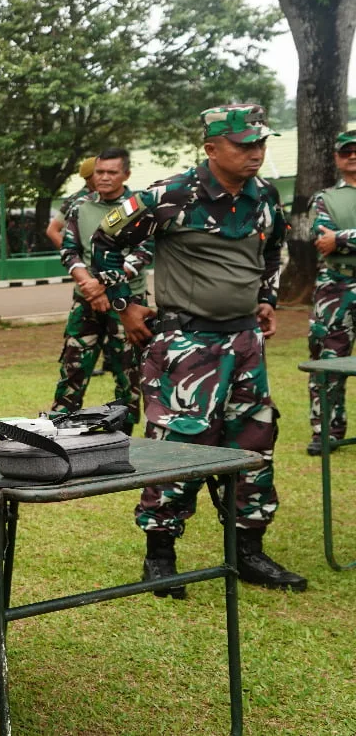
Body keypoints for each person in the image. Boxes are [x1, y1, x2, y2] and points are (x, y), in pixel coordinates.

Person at [94, 103, 306, 595]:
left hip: (246, 342)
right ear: (211, 148)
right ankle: (160, 559)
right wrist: (124, 307)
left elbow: (273, 248)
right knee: (180, 445)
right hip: (187, 343)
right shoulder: (169, 196)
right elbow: (105, 243)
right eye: (244, 145)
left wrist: (268, 298)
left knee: (254, 442)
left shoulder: (265, 195)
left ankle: (249, 552)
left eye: (260, 143)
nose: (256, 153)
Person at [51, 148, 151, 432]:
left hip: (128, 303)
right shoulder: (80, 207)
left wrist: (102, 285)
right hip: (86, 302)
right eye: (100, 172)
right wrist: (89, 286)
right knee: (72, 370)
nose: (104, 178)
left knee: (127, 373)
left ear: (126, 174)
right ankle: (61, 434)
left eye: (112, 172)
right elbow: (70, 251)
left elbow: (143, 253)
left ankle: (124, 439)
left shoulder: (139, 207)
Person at [306, 130, 356, 455]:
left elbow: (333, 240)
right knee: (328, 361)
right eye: (346, 151)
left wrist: (341, 237)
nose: (353, 155)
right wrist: (334, 240)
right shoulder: (324, 198)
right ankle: (327, 432)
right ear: (337, 158)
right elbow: (320, 237)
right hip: (336, 287)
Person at [46, 156, 96, 247]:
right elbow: (52, 230)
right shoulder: (76, 199)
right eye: (100, 172)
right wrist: (71, 256)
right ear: (89, 178)